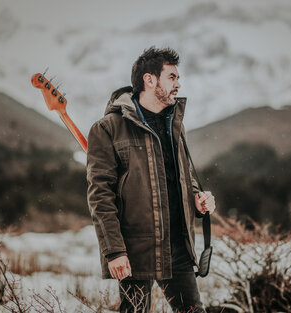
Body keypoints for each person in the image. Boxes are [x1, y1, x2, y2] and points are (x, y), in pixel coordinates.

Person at [86, 47, 216, 313]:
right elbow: (101, 195)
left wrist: (197, 198)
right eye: (172, 77)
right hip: (135, 250)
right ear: (150, 79)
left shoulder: (175, 123)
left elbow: (182, 177)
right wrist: (114, 251)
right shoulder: (108, 128)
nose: (178, 84)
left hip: (179, 246)